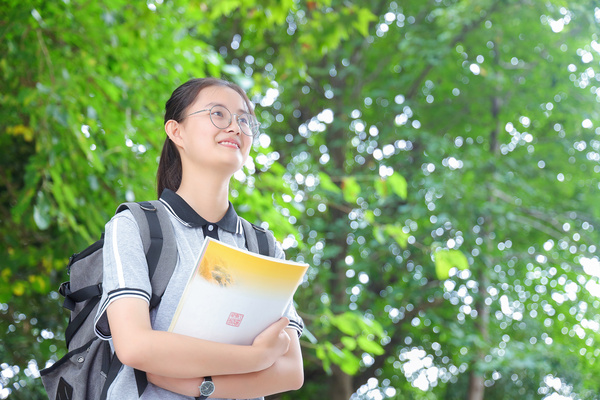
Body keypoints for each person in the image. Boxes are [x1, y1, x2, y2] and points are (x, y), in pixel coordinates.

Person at [93, 78, 304, 399]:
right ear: (176, 131)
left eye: (245, 120)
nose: (235, 127)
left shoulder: (264, 246)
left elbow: (291, 371)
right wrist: (256, 358)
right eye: (218, 114)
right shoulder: (136, 225)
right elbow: (135, 346)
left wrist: (200, 385)